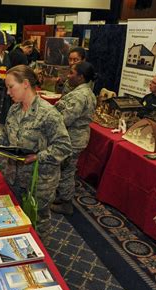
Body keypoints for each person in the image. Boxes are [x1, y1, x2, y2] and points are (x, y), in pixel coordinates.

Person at [0, 65, 72, 239]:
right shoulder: (14, 109)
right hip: (15, 176)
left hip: (40, 181)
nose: (8, 92)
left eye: (11, 87)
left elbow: (64, 147)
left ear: (25, 84)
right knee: (17, 220)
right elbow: (5, 137)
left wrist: (37, 157)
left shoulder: (48, 113)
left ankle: (42, 258)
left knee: (38, 222)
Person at [52, 62, 96, 215]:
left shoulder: (79, 96)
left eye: (72, 73)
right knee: (66, 169)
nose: (69, 76)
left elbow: (65, 119)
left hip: (73, 138)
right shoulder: (86, 92)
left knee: (66, 171)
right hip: (77, 137)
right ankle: (64, 196)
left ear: (81, 77)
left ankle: (66, 203)